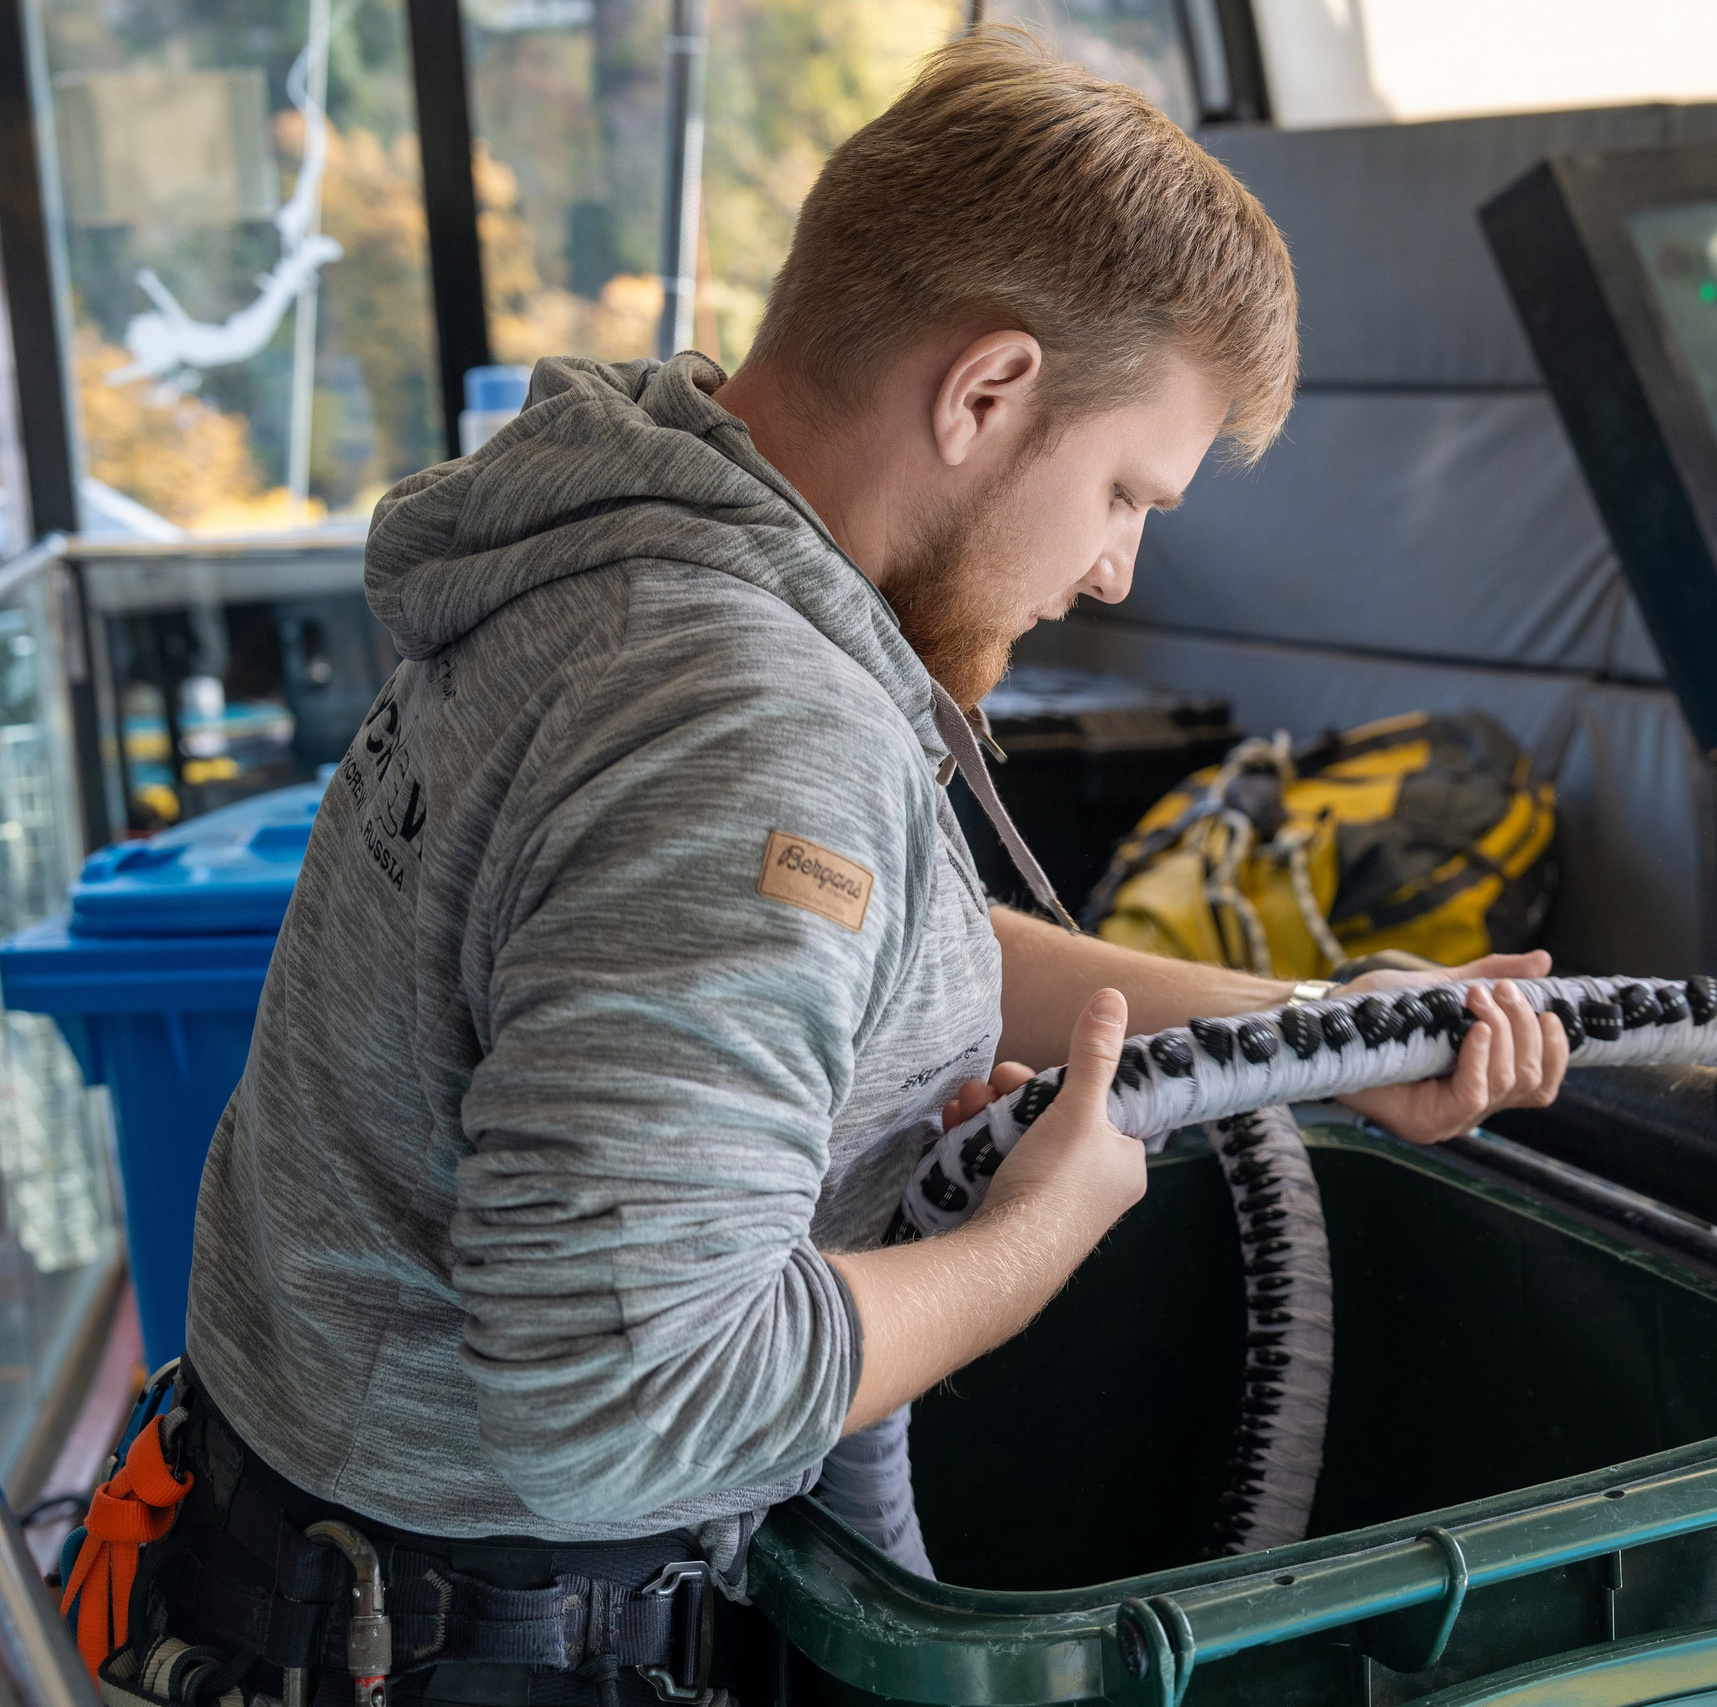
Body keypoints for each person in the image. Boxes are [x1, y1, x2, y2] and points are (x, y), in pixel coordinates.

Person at [130, 28, 1571, 1706]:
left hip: (298, 1578)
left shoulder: (611, 555)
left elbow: (925, 938)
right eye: (1123, 492)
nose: (1114, 569)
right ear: (986, 391)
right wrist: (1040, 1232)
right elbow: (632, 1402)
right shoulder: (750, 724)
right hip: (487, 1646)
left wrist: (1325, 1026)